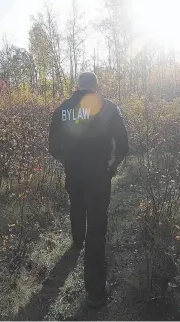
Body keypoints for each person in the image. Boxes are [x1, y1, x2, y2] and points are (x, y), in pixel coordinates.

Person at [48, 71, 129, 308]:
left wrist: (67, 162)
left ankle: (76, 243)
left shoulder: (61, 109)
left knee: (76, 205)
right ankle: (95, 294)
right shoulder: (108, 107)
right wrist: (112, 168)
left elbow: (53, 147)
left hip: (74, 174)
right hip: (98, 176)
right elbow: (123, 146)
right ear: (95, 87)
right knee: (96, 231)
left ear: (77, 86)